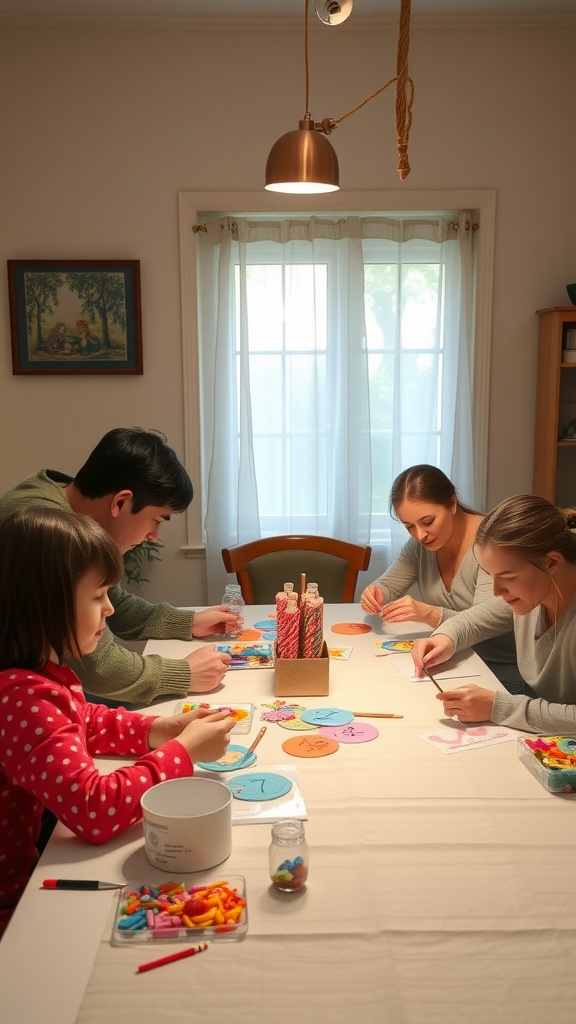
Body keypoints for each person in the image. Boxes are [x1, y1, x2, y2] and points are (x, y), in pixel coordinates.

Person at [0, 506, 235, 937]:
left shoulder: (37, 674)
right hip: (11, 902)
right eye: (97, 597)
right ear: (43, 602)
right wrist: (180, 754)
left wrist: (154, 730)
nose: (109, 610)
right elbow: (93, 810)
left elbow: (81, 719)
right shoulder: (19, 698)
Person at [0, 427, 240, 705]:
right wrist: (184, 673)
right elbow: (97, 668)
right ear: (121, 502)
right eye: (157, 520)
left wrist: (189, 621)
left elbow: (115, 604)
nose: (153, 536)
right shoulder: (47, 530)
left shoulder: (68, 506)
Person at [411, 494, 576, 734]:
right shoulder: (535, 590)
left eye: (507, 577)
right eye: (491, 575)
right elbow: (474, 620)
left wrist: (498, 707)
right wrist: (444, 638)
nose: (497, 591)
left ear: (551, 563)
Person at [359, 465, 520, 688]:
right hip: (456, 664)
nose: (420, 535)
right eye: (409, 526)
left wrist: (430, 614)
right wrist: (376, 593)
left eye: (427, 522)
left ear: (452, 503)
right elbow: (388, 584)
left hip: (500, 673)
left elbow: (485, 622)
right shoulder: (420, 544)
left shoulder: (493, 542)